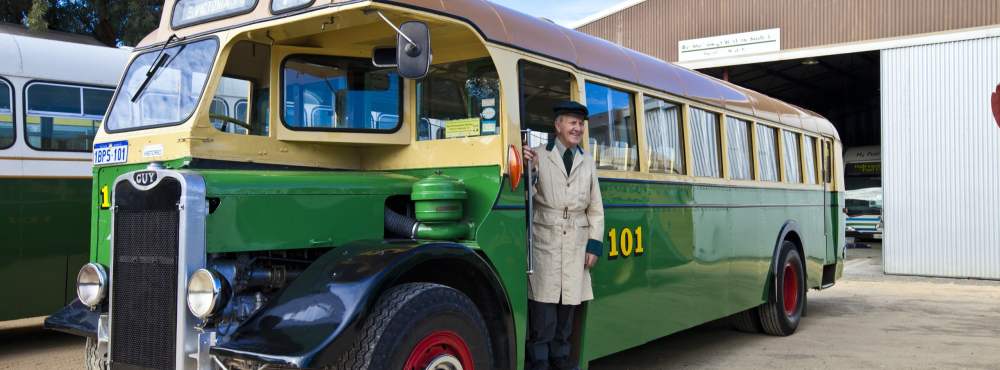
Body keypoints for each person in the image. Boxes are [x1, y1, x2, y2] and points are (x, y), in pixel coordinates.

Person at [522, 100, 605, 370]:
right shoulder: (537, 155)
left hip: (577, 245)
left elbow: (595, 208)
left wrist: (594, 245)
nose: (577, 128)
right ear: (558, 125)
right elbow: (528, 197)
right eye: (572, 122)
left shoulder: (588, 161)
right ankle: (539, 365)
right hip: (545, 239)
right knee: (543, 317)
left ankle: (562, 364)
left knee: (566, 316)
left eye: (580, 124)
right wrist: (529, 170)